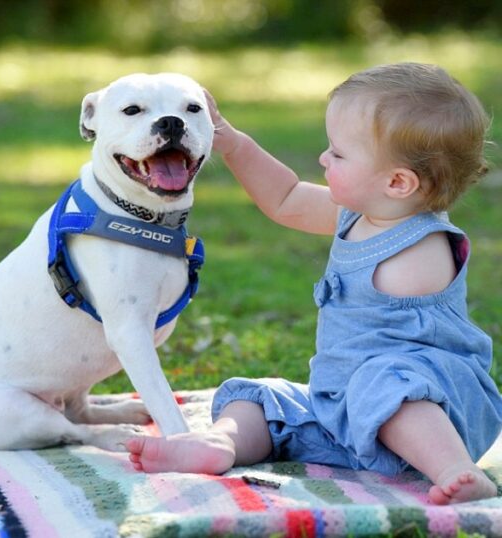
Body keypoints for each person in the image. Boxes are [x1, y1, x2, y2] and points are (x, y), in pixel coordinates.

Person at [125, 62, 501, 505]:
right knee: (261, 400)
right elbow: (285, 199)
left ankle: (453, 468)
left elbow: (405, 355)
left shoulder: (424, 247)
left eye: (338, 154)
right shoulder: (363, 213)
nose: (323, 158)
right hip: (338, 411)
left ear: (397, 182)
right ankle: (220, 444)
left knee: (388, 386)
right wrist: (233, 143)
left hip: (431, 406)